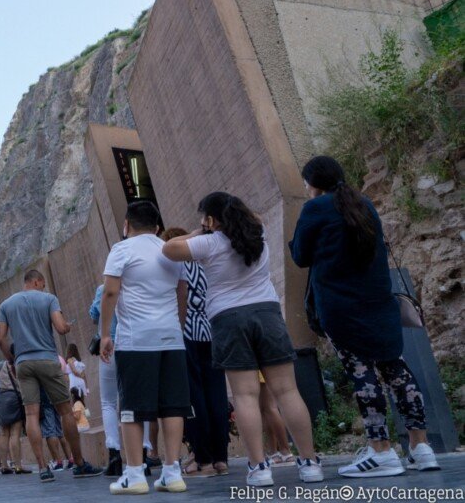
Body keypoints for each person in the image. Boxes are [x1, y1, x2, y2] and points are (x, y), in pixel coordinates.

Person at [290, 156, 439, 477]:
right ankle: (421, 447)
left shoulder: (315, 209)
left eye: (305, 183)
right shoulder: (364, 204)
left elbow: (300, 255)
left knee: (363, 374)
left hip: (342, 309)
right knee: (396, 370)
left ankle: (381, 451)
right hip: (378, 303)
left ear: (313, 183)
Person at [164, 192, 324, 487]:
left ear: (211, 220)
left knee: (245, 396)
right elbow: (256, 218)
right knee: (287, 391)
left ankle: (259, 467)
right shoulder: (257, 231)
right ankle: (310, 462)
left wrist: (203, 229)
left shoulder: (209, 242)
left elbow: (170, 248)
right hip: (267, 313)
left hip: (228, 318)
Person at [99, 200, 190, 495]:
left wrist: (104, 335)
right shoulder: (169, 250)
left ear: (127, 224)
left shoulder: (122, 249)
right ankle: (172, 472)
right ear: (157, 226)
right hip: (171, 338)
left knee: (132, 409)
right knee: (173, 406)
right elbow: (181, 291)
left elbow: (111, 291)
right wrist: (176, 324)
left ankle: (136, 474)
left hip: (136, 340)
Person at [0, 268, 103, 483]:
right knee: (65, 412)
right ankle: (80, 464)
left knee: (32, 415)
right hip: (47, 359)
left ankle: (44, 468)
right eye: (43, 284)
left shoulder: (6, 305)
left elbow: (0, 339)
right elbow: (61, 327)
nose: (44, 288)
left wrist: (11, 360)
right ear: (37, 282)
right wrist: (67, 326)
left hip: (23, 363)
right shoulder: (49, 299)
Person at [162, 226, 230, 478]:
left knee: (194, 397)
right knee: (217, 394)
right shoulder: (205, 262)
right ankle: (221, 457)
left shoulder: (174, 267)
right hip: (211, 331)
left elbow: (177, 299)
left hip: (187, 333)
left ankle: (204, 459)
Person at [89, 284, 123, 477]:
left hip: (109, 345)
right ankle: (143, 456)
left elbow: (94, 313)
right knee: (135, 401)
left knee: (108, 402)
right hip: (133, 344)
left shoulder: (103, 288)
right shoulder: (135, 282)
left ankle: (114, 456)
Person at [0, 345, 30, 475]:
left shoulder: (0, 365)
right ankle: (18, 465)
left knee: (4, 434)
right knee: (15, 433)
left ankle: (4, 465)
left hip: (1, 397)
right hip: (14, 397)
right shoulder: (19, 364)